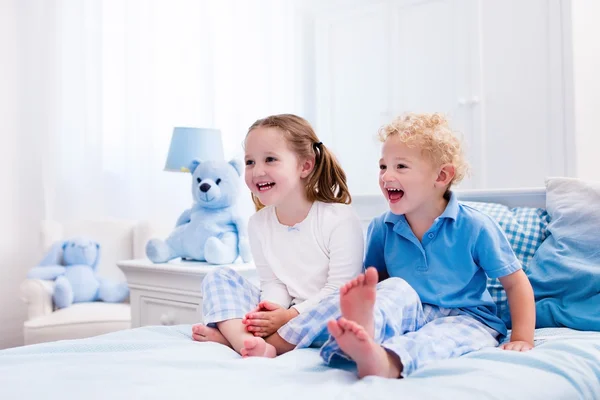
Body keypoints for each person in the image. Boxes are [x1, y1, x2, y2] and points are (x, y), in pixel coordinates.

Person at [309, 112, 535, 378]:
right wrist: (373, 307)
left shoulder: (475, 226)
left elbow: (515, 283)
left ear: (441, 176)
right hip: (412, 310)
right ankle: (365, 331)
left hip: (468, 317)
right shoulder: (383, 226)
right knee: (392, 289)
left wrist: (522, 337)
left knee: (437, 339)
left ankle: (386, 361)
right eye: (383, 166)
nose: (386, 176)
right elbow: (376, 282)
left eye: (400, 167)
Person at [191, 114, 364, 358]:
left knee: (346, 301)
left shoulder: (339, 218)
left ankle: (235, 339)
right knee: (218, 277)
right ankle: (246, 341)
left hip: (323, 316)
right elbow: (273, 283)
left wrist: (289, 316)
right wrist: (269, 311)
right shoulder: (258, 223)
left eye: (270, 159)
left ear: (305, 165)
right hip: (286, 313)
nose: (257, 171)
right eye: (250, 162)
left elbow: (340, 288)